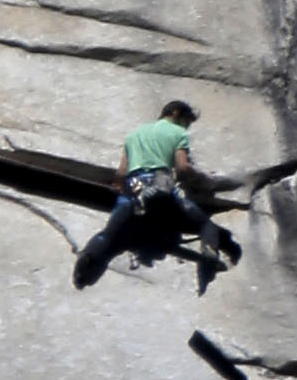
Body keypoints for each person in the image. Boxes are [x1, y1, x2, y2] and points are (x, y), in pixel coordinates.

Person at [72, 100, 239, 289]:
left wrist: (122, 189)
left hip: (132, 188)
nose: (186, 127)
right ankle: (208, 260)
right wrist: (206, 180)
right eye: (187, 122)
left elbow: (120, 175)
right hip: (159, 186)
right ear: (176, 113)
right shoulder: (177, 132)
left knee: (110, 236)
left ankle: (86, 265)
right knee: (205, 224)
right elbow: (183, 168)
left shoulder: (134, 135)